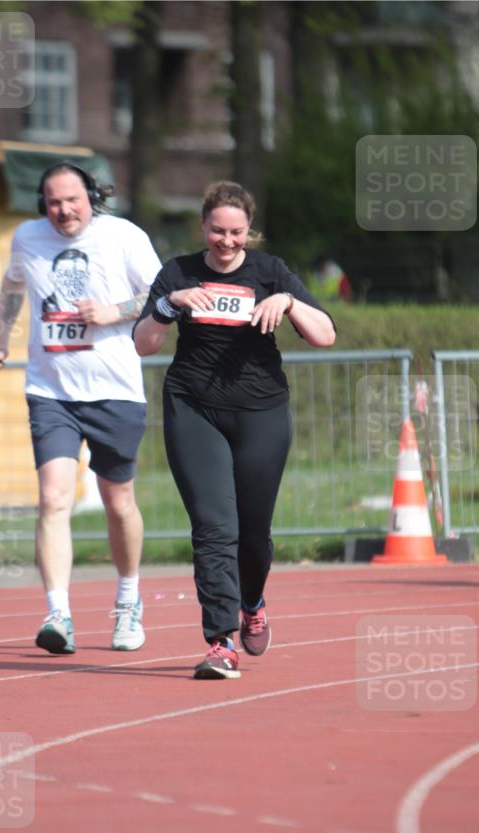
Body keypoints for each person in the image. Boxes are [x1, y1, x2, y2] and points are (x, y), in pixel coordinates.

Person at [134, 181, 336, 680]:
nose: (227, 241)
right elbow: (144, 344)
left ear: (250, 232)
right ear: (203, 227)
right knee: (214, 528)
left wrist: (288, 303)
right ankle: (221, 642)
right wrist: (167, 305)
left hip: (261, 411)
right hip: (193, 407)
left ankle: (253, 601)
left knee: (253, 535)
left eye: (237, 233)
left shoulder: (270, 273)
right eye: (218, 231)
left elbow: (326, 335)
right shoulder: (178, 272)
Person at [0, 162, 162, 655]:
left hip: (114, 390)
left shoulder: (123, 236)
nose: (63, 211)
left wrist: (115, 312)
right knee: (53, 499)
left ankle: (128, 599)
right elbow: (12, 287)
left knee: (117, 501)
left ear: (92, 197)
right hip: (51, 391)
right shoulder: (28, 237)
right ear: (44, 203)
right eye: (54, 202)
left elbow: (160, 293)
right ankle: (58, 613)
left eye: (72, 200)